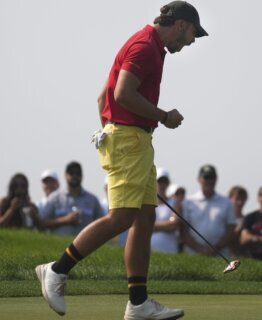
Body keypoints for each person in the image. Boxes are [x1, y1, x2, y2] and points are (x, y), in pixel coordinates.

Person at [35, 2, 208, 319]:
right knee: (122, 217)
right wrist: (163, 116)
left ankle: (138, 303)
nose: (192, 41)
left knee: (144, 218)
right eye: (193, 34)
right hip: (130, 138)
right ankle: (57, 271)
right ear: (181, 25)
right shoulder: (145, 47)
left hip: (133, 140)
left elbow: (104, 96)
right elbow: (122, 94)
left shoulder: (149, 45)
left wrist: (112, 135)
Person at [181, 165, 236, 256]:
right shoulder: (188, 202)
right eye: (206, 177)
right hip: (193, 254)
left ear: (216, 179)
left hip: (220, 254)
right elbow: (183, 230)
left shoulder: (226, 202)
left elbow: (230, 229)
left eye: (212, 177)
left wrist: (217, 248)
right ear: (199, 179)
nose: (209, 181)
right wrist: (200, 249)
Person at [40, 161, 104, 236]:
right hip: (59, 245)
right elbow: (42, 223)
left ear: (82, 175)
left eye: (78, 173)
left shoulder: (93, 200)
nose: (75, 175)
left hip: (85, 247)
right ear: (65, 175)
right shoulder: (54, 198)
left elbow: (102, 225)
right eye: (71, 173)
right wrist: (66, 220)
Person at [151, 168, 180, 253]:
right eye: (159, 181)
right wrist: (165, 225)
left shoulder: (175, 203)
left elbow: (173, 224)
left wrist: (152, 226)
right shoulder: (147, 204)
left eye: (165, 181)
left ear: (168, 183)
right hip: (150, 249)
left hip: (170, 249)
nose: (162, 184)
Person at [228, 185, 249, 257]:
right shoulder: (224, 220)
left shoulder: (247, 219)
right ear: (230, 199)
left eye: (242, 199)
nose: (240, 202)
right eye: (237, 199)